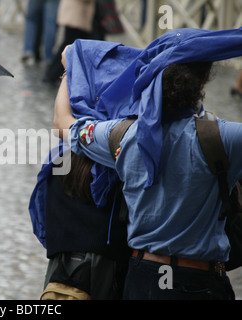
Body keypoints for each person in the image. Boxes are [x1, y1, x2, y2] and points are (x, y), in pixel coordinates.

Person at [53, 42, 239, 299]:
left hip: (145, 277)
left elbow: (63, 125)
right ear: (201, 86)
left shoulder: (123, 136)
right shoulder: (226, 138)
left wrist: (70, 70)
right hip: (201, 280)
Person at [40, 152, 129, 300]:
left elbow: (42, 220)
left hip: (57, 270)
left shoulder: (57, 161)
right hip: (103, 270)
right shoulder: (118, 167)